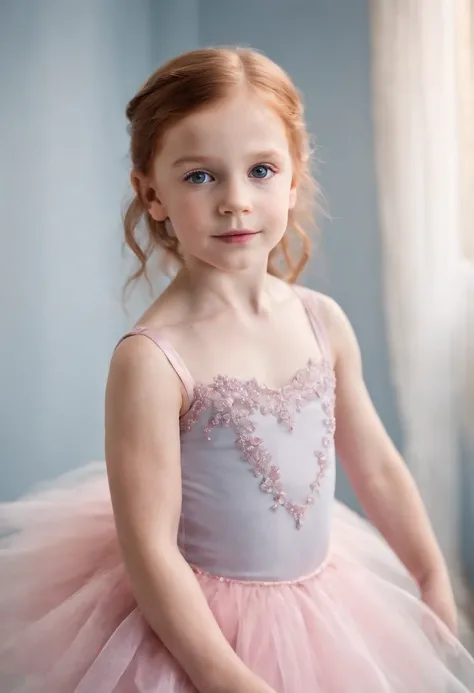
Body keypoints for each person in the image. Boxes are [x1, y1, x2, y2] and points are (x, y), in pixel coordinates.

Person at [1, 46, 473, 693]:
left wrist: (429, 572)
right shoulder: (152, 359)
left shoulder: (321, 321)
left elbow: (378, 465)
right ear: (152, 193)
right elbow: (151, 550)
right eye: (200, 177)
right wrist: (225, 676)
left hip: (324, 608)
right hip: (200, 633)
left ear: (294, 177)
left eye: (260, 170)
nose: (235, 201)